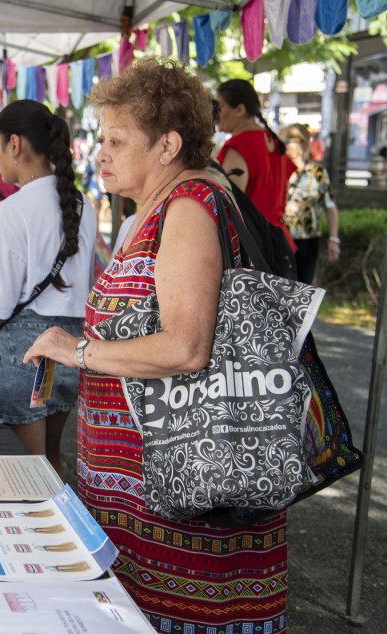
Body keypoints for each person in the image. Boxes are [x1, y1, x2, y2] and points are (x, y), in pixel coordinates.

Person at [23, 58, 288, 634]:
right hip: (150, 486)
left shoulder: (189, 207)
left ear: (167, 144)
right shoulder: (164, 207)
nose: (101, 153)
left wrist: (78, 351)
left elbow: (186, 347)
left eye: (117, 140)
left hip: (177, 488)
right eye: (102, 137)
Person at [0, 100, 96, 475]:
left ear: (15, 144)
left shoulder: (13, 210)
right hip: (70, 349)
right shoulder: (83, 205)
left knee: (25, 472)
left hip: (23, 354)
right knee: (51, 462)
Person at [215, 79, 296, 236]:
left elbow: (229, 208)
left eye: (219, 107)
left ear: (239, 110)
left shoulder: (239, 145)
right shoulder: (272, 141)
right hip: (278, 241)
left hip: (255, 245)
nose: (215, 113)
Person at [281, 123, 340, 284]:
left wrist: (334, 239)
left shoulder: (317, 172)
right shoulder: (277, 168)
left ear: (303, 144)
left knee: (303, 289)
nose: (282, 145)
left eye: (287, 141)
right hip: (280, 238)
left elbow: (330, 206)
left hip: (307, 241)